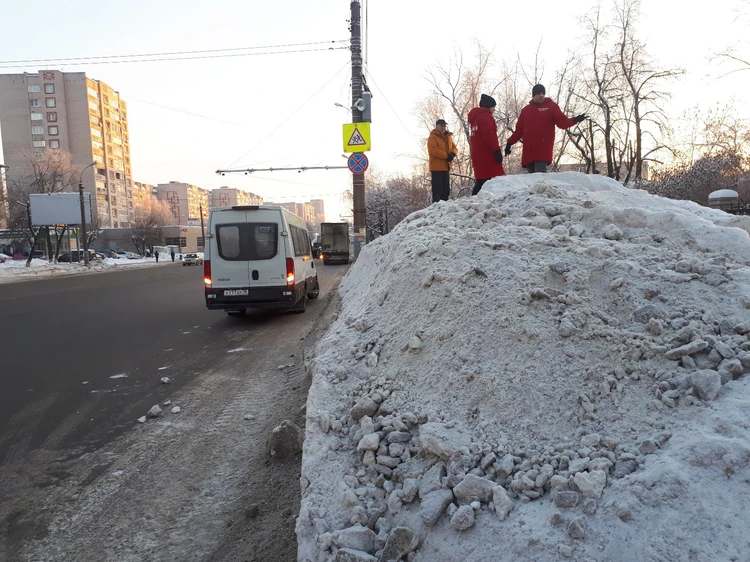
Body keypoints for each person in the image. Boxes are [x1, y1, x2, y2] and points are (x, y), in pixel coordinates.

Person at [505, 84, 588, 173]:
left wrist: (575, 119)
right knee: (532, 180)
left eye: (543, 93)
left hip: (543, 149)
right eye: (538, 93)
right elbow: (519, 130)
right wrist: (509, 143)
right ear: (533, 95)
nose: (541, 95)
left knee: (540, 176)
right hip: (529, 151)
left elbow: (562, 122)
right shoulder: (526, 110)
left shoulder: (551, 107)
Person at [468, 94, 505, 195]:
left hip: (478, 155)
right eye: (493, 107)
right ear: (489, 106)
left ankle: (473, 199)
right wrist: (496, 150)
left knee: (481, 179)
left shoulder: (475, 119)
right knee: (491, 181)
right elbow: (489, 135)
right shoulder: (486, 117)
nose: (494, 110)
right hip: (487, 154)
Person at [427, 119, 458, 203]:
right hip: (436, 168)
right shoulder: (433, 137)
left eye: (444, 126)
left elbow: (454, 148)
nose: (443, 127)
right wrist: (446, 156)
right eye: (441, 126)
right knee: (437, 191)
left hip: (446, 167)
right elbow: (433, 150)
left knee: (446, 190)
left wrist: (453, 154)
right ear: (437, 126)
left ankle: (445, 207)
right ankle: (436, 208)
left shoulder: (448, 137)